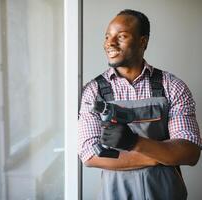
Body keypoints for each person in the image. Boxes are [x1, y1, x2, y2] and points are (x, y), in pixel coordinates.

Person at [78, 9, 201, 200]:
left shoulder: (172, 86)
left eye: (121, 36)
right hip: (114, 194)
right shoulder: (93, 91)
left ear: (143, 42)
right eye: (107, 37)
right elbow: (89, 155)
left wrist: (134, 143)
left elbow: (190, 151)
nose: (110, 43)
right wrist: (160, 157)